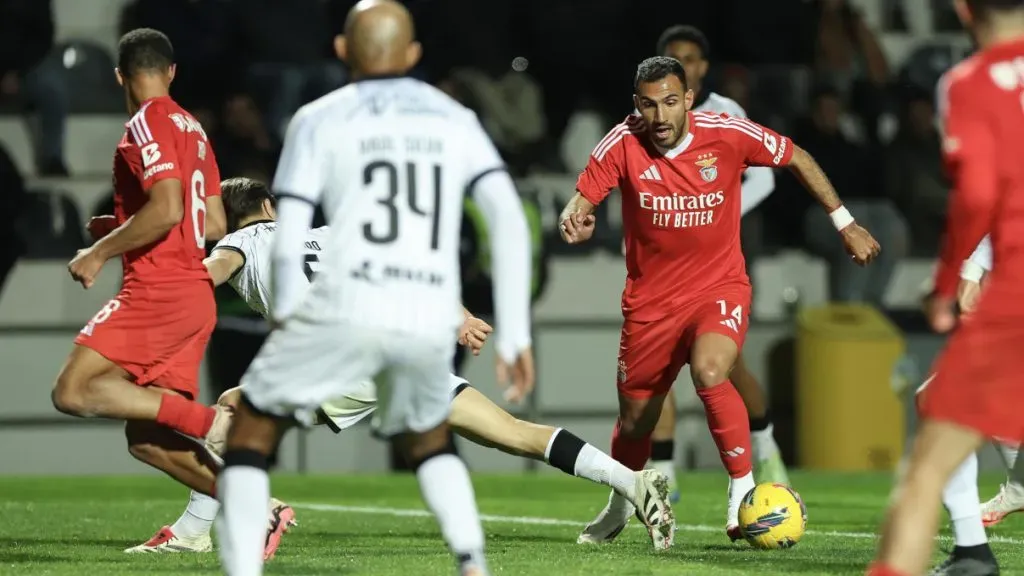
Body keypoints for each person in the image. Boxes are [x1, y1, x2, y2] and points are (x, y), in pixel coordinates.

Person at [147, 176, 673, 554]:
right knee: (512, 432)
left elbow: (208, 274)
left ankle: (202, 530)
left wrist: (157, 282)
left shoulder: (240, 240)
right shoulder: (329, 235)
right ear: (271, 205)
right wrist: (461, 317)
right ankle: (631, 481)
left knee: (228, 413)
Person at [213, 3, 542, 575]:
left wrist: (287, 317)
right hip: (415, 311)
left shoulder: (317, 118)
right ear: (413, 54)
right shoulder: (454, 117)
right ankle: (471, 561)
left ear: (343, 51)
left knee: (247, 431)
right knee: (428, 441)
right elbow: (508, 218)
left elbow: (289, 231)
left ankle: (243, 568)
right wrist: (514, 333)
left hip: (342, 307)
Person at [560, 56, 879, 544]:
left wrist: (845, 222)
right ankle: (620, 503)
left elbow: (796, 156)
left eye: (671, 102)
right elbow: (582, 198)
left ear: (689, 99)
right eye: (649, 105)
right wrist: (576, 217)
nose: (661, 116)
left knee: (711, 370)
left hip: (718, 288)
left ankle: (742, 490)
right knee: (636, 421)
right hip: (651, 305)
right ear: (637, 105)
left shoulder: (727, 133)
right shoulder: (623, 141)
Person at [50, 28, 294, 559]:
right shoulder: (193, 127)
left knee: (72, 390)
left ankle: (214, 423)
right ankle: (259, 511)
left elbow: (167, 210)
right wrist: (122, 226)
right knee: (148, 439)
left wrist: (100, 251)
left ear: (120, 75)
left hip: (158, 290)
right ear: (172, 71)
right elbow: (213, 223)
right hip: (193, 295)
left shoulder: (147, 121)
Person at [868, 1, 1024, 575]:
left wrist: (949, 278)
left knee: (929, 451)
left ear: (962, 8)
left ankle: (972, 553)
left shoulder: (968, 83)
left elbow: (979, 194)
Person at [651, 25, 789, 498]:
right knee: (656, 364)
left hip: (717, 261)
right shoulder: (647, 115)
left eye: (691, 58)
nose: (683, 65)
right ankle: (664, 472)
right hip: (663, 262)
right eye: (675, 57)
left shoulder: (726, 113)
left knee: (724, 364)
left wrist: (716, 215)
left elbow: (765, 178)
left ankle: (765, 443)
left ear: (703, 67)